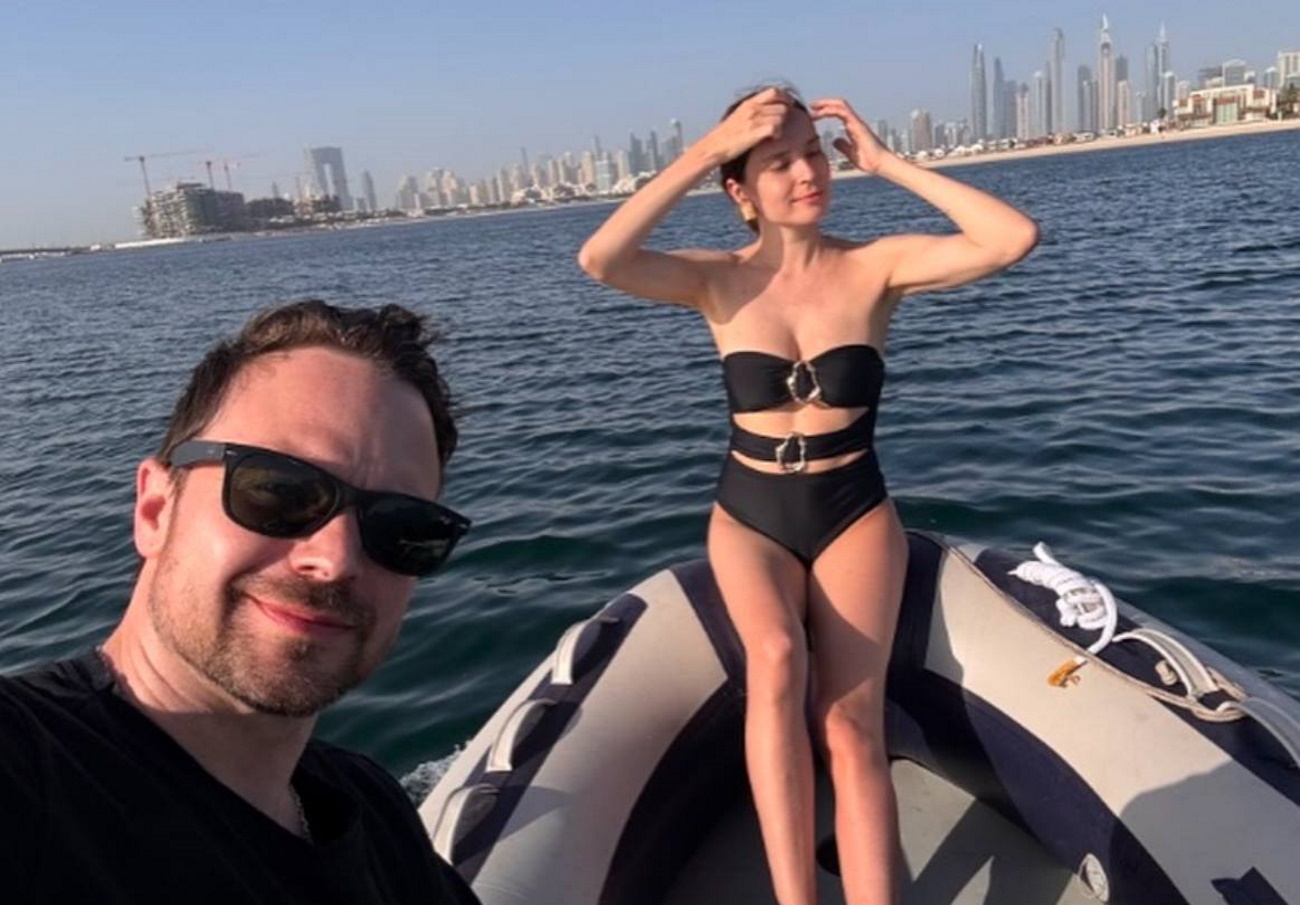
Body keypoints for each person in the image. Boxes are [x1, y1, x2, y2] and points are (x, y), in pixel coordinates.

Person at [578, 88, 1038, 904]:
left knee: (850, 723)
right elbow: (601, 259)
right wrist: (704, 148)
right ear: (740, 191)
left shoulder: (874, 268)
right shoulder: (715, 280)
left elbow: (1012, 238)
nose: (806, 173)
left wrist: (887, 163)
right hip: (751, 515)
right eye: (779, 162)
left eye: (814, 153)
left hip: (852, 507)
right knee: (777, 658)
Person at [0, 300, 480, 904]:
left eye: (403, 527)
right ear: (156, 509)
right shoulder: (25, 768)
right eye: (279, 491)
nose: (335, 561)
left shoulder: (374, 814)